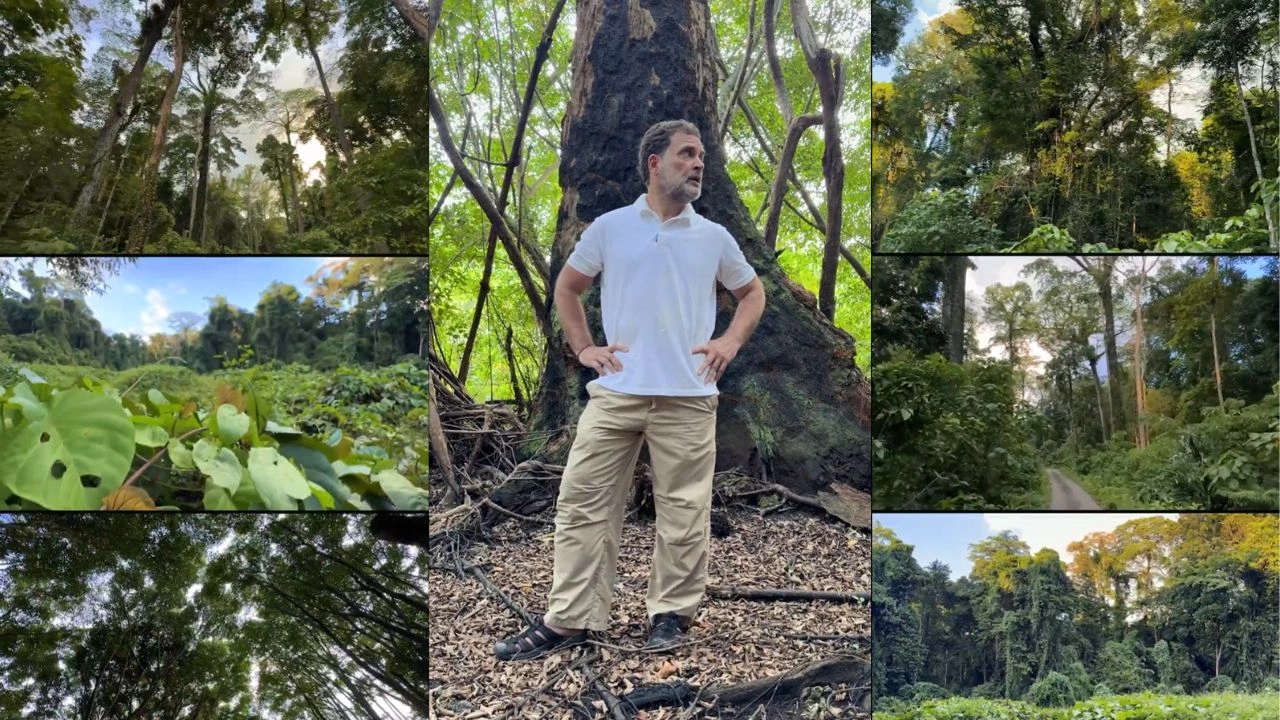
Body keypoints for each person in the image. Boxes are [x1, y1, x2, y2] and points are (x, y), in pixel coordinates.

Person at [493, 120, 767, 662]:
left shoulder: (713, 236)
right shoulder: (611, 228)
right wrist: (584, 349)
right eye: (687, 155)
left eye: (701, 160)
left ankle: (670, 615)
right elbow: (568, 288)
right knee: (581, 501)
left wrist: (729, 342)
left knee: (684, 510)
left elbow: (753, 292)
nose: (697, 166)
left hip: (689, 396)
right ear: (654, 162)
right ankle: (571, 619)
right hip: (616, 392)